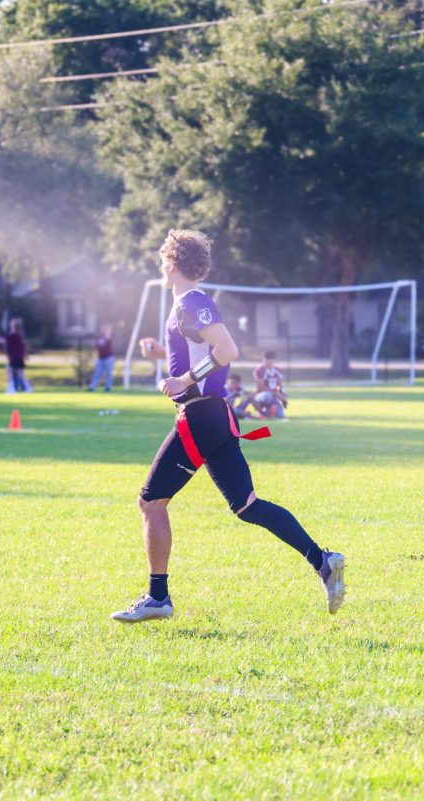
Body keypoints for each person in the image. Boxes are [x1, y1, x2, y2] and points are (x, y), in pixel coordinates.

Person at [111, 229, 346, 623]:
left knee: (151, 502)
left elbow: (227, 350)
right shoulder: (186, 305)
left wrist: (184, 380)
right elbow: (200, 353)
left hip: (201, 416)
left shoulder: (191, 302)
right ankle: (323, 562)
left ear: (172, 263)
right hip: (215, 415)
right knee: (246, 505)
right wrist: (162, 356)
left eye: (162, 260)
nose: (160, 267)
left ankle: (158, 597)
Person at [0, 319, 32, 393]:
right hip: (19, 357)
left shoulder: (12, 335)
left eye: (12, 325)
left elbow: (3, 341)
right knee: (20, 375)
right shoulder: (20, 335)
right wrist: (25, 355)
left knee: (9, 372)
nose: (10, 326)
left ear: (13, 326)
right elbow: (23, 346)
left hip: (14, 357)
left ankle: (11, 389)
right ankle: (28, 388)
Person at [252, 349, 288, 418]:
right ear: (263, 359)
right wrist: (276, 394)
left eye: (270, 359)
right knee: (267, 395)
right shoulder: (259, 370)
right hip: (262, 395)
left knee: (280, 416)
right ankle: (261, 411)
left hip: (274, 395)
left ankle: (270, 411)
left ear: (274, 360)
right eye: (266, 359)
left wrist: (282, 394)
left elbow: (280, 386)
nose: (268, 362)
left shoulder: (278, 370)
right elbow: (262, 387)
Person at [87, 323, 115, 392]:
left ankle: (108, 387)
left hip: (108, 358)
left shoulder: (108, 337)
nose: (103, 330)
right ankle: (92, 387)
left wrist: (107, 331)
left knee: (109, 373)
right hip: (100, 358)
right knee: (97, 373)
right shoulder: (99, 338)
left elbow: (108, 338)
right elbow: (97, 347)